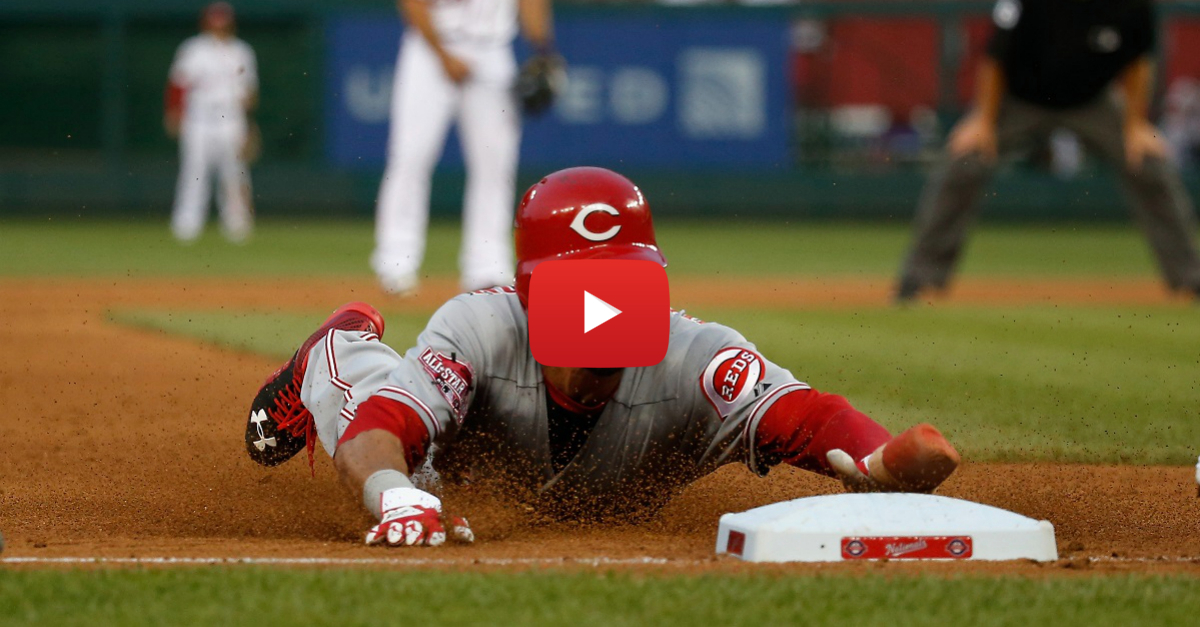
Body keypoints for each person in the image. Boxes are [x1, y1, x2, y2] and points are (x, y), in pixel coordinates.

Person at [244, 167, 961, 547]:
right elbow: (383, 424)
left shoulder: (694, 357)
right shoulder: (482, 327)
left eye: (624, 284)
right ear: (532, 294)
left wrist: (878, 456)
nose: (605, 307)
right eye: (583, 287)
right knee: (369, 422)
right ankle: (336, 345)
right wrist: (396, 497)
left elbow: (804, 415)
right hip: (436, 453)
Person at [896, 0, 1200, 303]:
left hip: (1091, 101)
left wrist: (1135, 125)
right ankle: (921, 277)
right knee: (965, 160)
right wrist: (982, 120)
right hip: (1020, 97)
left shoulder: (1133, 6)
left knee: (1148, 163)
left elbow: (1139, 61)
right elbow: (994, 57)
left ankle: (1189, 276)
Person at [373, 0, 555, 296]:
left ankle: (487, 268)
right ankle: (395, 264)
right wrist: (443, 55)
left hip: (493, 52)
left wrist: (544, 49)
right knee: (410, 158)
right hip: (429, 50)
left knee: (496, 167)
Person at [165, 2, 258, 244]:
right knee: (194, 172)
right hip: (199, 118)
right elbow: (178, 85)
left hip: (231, 118)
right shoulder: (193, 49)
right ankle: (187, 224)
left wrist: (248, 124)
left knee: (235, 173)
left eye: (223, 21)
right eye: (215, 21)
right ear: (206, 22)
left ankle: (237, 224)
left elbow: (249, 93)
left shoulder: (242, 51)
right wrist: (175, 112)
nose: (219, 26)